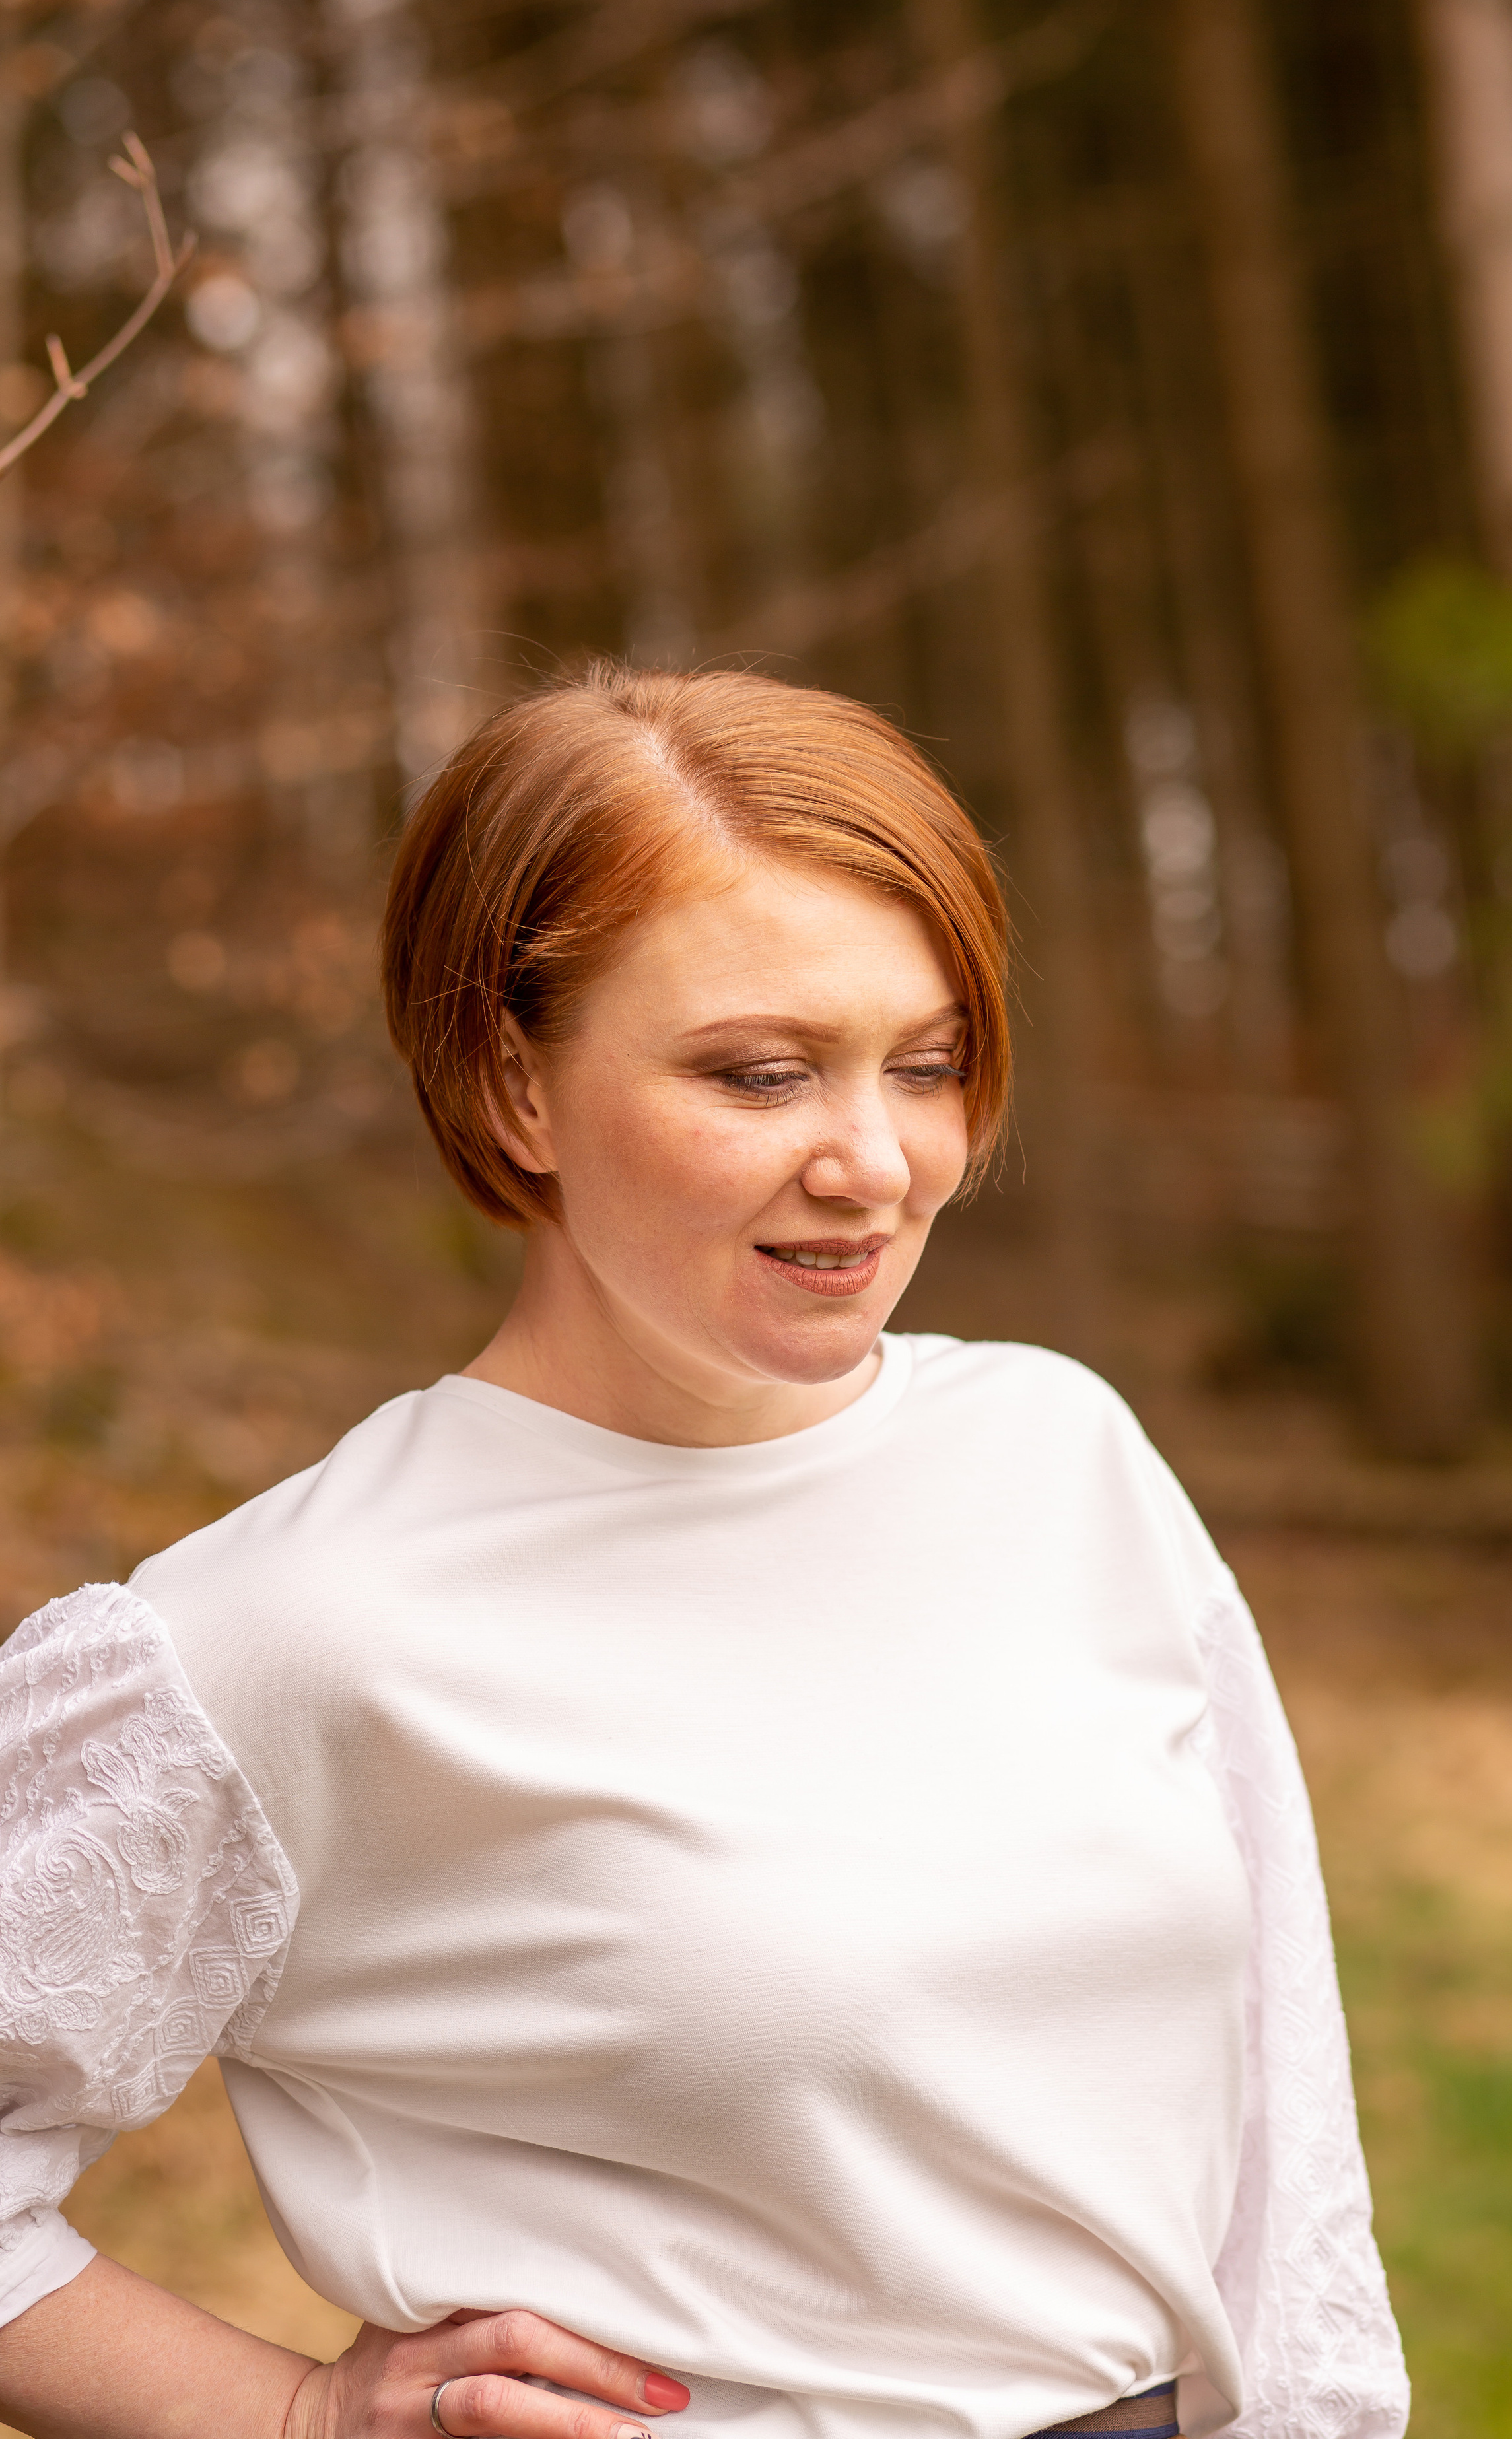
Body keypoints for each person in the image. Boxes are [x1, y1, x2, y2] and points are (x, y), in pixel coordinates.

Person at [0, 665, 1408, 2439]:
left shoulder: (1064, 1454)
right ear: (515, 1085)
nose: (878, 1163)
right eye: (761, 1075)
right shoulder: (294, 1632)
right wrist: (288, 2419)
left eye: (930, 1063)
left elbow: (1285, 2103)